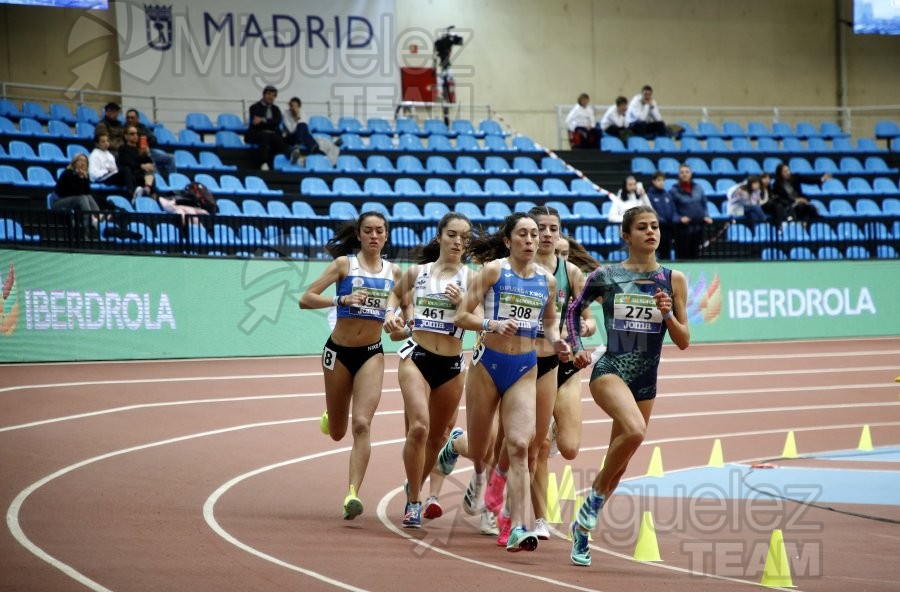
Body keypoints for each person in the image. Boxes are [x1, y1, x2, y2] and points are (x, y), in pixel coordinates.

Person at [564, 205, 690, 567]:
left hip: (646, 380)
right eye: (642, 227)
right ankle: (591, 504)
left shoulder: (673, 279)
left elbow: (683, 341)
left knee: (618, 464)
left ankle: (582, 534)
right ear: (626, 235)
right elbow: (574, 311)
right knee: (634, 431)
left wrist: (666, 313)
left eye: (654, 226)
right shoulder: (607, 275)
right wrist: (576, 348)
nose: (651, 232)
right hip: (610, 369)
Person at [454, 212, 571, 553]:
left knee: (521, 445)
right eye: (523, 234)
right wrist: (492, 324)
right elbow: (463, 314)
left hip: (525, 366)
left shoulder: (547, 281)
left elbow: (549, 324)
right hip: (487, 366)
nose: (531, 240)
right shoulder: (494, 270)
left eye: (535, 235)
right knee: (480, 449)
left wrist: (558, 340)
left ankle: (517, 524)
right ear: (508, 241)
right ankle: (455, 443)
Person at [299, 212, 401, 520]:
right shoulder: (345, 265)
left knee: (362, 425)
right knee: (339, 432)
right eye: (368, 230)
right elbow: (305, 298)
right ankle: (332, 413)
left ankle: (352, 494)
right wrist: (340, 302)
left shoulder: (394, 272)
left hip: (372, 353)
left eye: (379, 231)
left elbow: (402, 308)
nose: (373, 235)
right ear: (358, 235)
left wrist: (396, 319)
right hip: (338, 352)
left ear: (386, 236)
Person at [382, 213, 475, 529]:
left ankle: (414, 485)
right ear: (439, 237)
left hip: (451, 365)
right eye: (452, 235)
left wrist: (464, 303)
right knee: (419, 427)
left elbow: (481, 318)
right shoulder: (417, 272)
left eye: (464, 237)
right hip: (416, 357)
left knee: (437, 437)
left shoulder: (473, 279)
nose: (458, 242)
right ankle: (414, 501)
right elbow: (394, 295)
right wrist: (390, 316)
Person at [669, 163, 713, 259]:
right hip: (682, 230)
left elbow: (704, 204)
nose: (684, 174)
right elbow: (672, 209)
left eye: (687, 172)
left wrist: (707, 216)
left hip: (698, 228)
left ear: (691, 174)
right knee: (683, 257)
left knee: (696, 256)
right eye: (682, 172)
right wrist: (679, 218)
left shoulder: (698, 187)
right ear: (679, 175)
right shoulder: (674, 190)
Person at [245, 85, 291, 171]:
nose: (271, 97)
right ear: (263, 95)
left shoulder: (276, 109)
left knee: (279, 139)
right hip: (256, 134)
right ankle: (263, 162)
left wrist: (263, 119)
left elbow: (277, 121)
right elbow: (256, 123)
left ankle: (292, 156)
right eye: (269, 94)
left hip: (272, 135)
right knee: (265, 135)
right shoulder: (254, 107)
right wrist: (268, 123)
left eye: (273, 95)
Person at [124, 108, 176, 177]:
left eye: (132, 118)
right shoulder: (124, 128)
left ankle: (173, 180)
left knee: (171, 158)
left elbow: (154, 140)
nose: (130, 120)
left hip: (148, 150)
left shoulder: (143, 127)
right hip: (136, 153)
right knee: (151, 162)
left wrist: (145, 141)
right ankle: (159, 183)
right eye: (128, 118)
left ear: (138, 118)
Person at [117, 125, 157, 199]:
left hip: (140, 176)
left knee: (150, 173)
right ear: (126, 136)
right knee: (129, 171)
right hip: (129, 176)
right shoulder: (123, 148)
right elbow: (127, 162)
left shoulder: (140, 150)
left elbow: (150, 164)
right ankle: (133, 195)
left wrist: (147, 154)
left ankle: (149, 192)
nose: (135, 136)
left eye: (137, 134)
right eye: (132, 134)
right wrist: (142, 166)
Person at [645, 171, 678, 260]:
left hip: (668, 230)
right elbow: (651, 211)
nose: (661, 182)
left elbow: (673, 209)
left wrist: (673, 220)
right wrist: (661, 221)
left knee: (666, 254)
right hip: (655, 230)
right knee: (654, 253)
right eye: (659, 180)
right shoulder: (649, 196)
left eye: (663, 180)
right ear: (653, 181)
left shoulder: (667, 195)